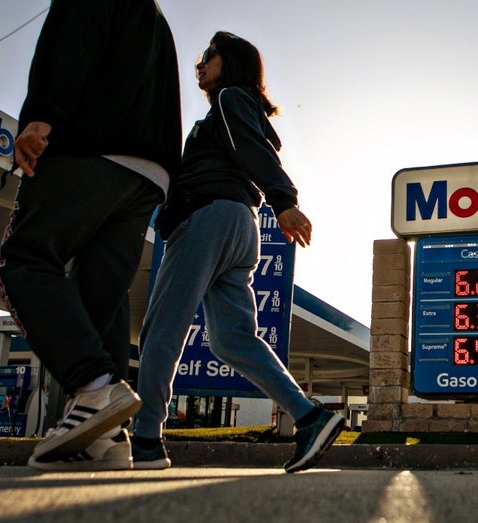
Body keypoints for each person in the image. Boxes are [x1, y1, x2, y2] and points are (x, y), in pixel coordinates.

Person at [133, 31, 344, 473]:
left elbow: (250, 149)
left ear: (231, 63)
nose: (201, 62)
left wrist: (283, 201)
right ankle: (309, 417)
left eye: (210, 55)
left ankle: (146, 442)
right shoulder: (235, 106)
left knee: (163, 329)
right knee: (233, 339)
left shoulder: (230, 99)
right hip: (239, 226)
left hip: (208, 217)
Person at [0, 0, 181, 471]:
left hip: (89, 151)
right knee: (101, 296)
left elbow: (70, 46)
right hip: (148, 173)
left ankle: (96, 389)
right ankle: (108, 438)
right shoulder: (154, 17)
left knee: (24, 259)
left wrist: (41, 115)